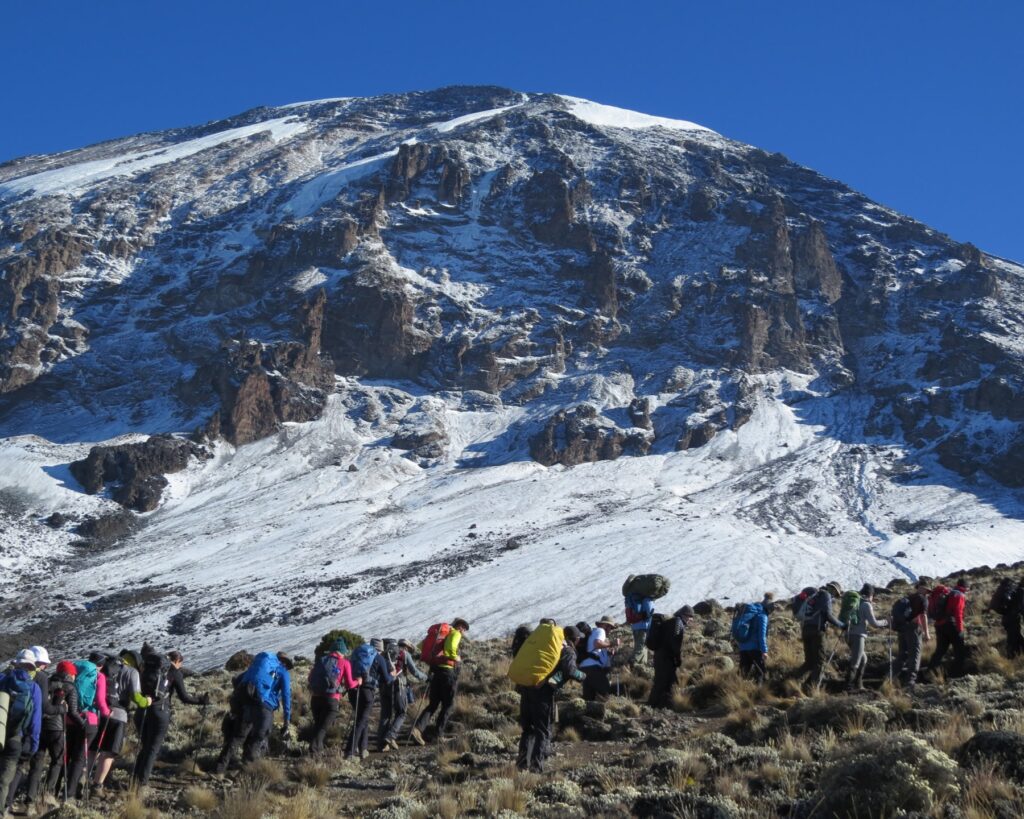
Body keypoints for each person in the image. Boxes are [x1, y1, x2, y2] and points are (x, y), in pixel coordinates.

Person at [131, 648, 208, 787]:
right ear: (177, 661)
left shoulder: (149, 668)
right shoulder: (175, 673)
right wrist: (201, 700)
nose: (181, 666)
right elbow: (184, 697)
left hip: (141, 710)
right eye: (181, 663)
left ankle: (135, 778)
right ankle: (141, 784)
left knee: (145, 746)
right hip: (160, 712)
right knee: (152, 749)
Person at [517, 625, 585, 773]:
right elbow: (569, 670)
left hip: (528, 687)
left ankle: (521, 765)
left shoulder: (549, 646)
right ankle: (536, 767)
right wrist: (583, 676)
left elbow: (559, 673)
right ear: (576, 639)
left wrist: (551, 681)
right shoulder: (568, 650)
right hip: (542, 693)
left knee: (528, 730)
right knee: (543, 731)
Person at [215, 651, 293, 773]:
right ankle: (247, 768)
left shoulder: (258, 669)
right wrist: (287, 720)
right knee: (259, 736)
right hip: (264, 707)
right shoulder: (282, 671)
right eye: (287, 665)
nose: (287, 668)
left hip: (247, 704)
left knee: (238, 736)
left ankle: (220, 767)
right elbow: (286, 695)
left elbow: (237, 680)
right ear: (284, 662)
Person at [92, 650, 151, 793]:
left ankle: (79, 780)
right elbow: (137, 698)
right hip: (118, 716)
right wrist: (147, 701)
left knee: (93, 750)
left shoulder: (106, 666)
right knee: (109, 753)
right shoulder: (132, 672)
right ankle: (97, 786)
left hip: (98, 712)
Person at [410, 618, 469, 745]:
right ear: (459, 627)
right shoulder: (455, 633)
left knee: (433, 704)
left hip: (436, 672)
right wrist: (456, 658)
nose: (463, 631)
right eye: (463, 628)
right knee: (448, 705)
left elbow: (421, 647)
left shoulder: (438, 635)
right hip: (448, 673)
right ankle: (439, 735)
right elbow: (450, 647)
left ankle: (417, 729)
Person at [0, 651, 42, 812]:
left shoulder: (2, 679)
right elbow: (35, 722)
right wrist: (33, 745)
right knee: (4, 781)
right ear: (31, 667)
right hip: (16, 738)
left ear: (16, 663)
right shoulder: (34, 688)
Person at [64, 657, 107, 801]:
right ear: (100, 665)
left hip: (70, 719)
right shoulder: (99, 676)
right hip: (89, 720)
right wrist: (107, 713)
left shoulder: (76, 671)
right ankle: (69, 794)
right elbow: (100, 701)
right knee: (79, 758)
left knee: (66, 755)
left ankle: (54, 789)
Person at [308, 639, 360, 756]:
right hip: (331, 699)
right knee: (323, 728)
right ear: (342, 651)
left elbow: (310, 678)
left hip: (315, 698)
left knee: (318, 726)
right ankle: (314, 750)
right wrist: (358, 681)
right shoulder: (344, 662)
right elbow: (350, 684)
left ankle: (318, 753)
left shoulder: (321, 660)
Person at [345, 639, 394, 759]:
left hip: (353, 689)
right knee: (361, 721)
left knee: (362, 719)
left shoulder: (358, 654)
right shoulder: (379, 658)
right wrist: (393, 676)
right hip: (367, 692)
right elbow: (387, 679)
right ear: (380, 649)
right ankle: (350, 751)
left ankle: (363, 748)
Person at [378, 639, 427, 752]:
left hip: (384, 686)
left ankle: (382, 744)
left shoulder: (385, 653)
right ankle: (390, 736)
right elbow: (414, 671)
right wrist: (426, 677)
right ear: (406, 647)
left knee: (386, 715)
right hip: (399, 686)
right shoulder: (405, 654)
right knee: (401, 713)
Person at [799, 581, 846, 691]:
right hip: (817, 631)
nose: (835, 597)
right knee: (820, 662)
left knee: (809, 662)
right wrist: (841, 625)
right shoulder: (826, 595)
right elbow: (828, 615)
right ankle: (813, 690)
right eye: (836, 594)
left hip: (806, 630)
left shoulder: (815, 596)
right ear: (833, 589)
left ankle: (792, 683)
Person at [845, 585, 889, 691]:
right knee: (856, 661)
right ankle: (848, 687)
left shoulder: (854, 602)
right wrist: (886, 622)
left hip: (848, 635)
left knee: (863, 658)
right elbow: (874, 623)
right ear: (871, 595)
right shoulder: (865, 605)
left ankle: (858, 684)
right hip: (858, 635)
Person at [648, 606, 693, 708]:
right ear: (684, 615)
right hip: (666, 658)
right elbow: (674, 642)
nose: (691, 619)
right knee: (663, 681)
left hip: (660, 655)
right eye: (690, 616)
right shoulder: (678, 623)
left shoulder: (672, 622)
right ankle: (653, 705)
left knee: (664, 680)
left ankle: (662, 704)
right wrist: (677, 657)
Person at [926, 578, 970, 678]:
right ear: (965, 588)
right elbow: (958, 613)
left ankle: (930, 672)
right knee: (959, 651)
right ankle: (956, 675)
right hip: (951, 625)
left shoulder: (949, 593)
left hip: (939, 625)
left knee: (940, 650)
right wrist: (960, 629)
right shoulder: (959, 595)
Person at [892, 580, 931, 689]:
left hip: (902, 628)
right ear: (923, 588)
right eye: (927, 590)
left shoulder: (909, 598)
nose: (927, 593)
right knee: (915, 654)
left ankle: (890, 678)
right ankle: (910, 682)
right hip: (913, 629)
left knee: (902, 654)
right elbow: (923, 616)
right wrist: (926, 633)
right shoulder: (922, 599)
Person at [579, 616, 618, 701]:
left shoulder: (593, 633)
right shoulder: (601, 630)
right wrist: (612, 643)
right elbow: (597, 643)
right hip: (593, 668)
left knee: (589, 698)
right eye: (610, 627)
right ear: (605, 625)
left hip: (584, 668)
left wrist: (608, 652)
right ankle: (601, 712)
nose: (610, 630)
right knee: (605, 692)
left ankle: (588, 713)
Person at [736, 595, 774, 683]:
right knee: (761, 673)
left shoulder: (751, 613)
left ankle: (732, 692)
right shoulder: (762, 616)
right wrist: (764, 651)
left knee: (742, 674)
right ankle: (759, 693)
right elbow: (762, 635)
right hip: (755, 649)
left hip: (743, 647)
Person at [624, 593, 655, 666]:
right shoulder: (647, 599)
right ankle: (631, 664)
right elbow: (648, 613)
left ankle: (641, 666)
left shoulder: (637, 599)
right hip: (643, 627)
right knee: (640, 648)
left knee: (640, 647)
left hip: (636, 627)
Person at [1001, 579, 1024, 659]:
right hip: (1013, 619)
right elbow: (1021, 607)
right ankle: (1011, 658)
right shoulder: (1021, 592)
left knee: (1014, 638)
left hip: (1007, 618)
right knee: (1014, 639)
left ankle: (1014, 657)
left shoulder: (1015, 590)